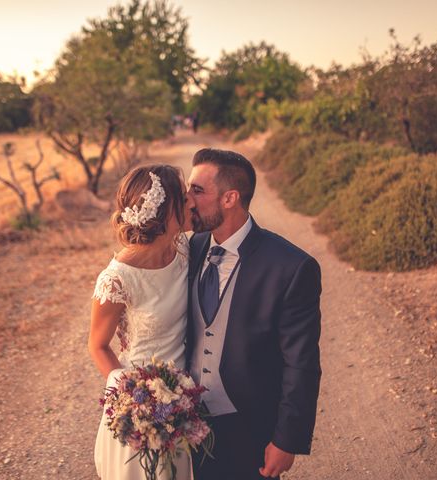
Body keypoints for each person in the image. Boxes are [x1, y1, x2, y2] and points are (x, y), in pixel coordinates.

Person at [186, 148, 322, 480]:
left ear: (230, 198)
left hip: (248, 425)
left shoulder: (291, 267)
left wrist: (286, 439)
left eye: (197, 190)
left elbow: (301, 362)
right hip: (184, 421)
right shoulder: (190, 247)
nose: (188, 200)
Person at [89, 164, 195, 480]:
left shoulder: (185, 248)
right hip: (144, 410)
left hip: (187, 399)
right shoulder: (116, 280)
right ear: (164, 212)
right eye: (184, 196)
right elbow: (97, 346)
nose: (191, 201)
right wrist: (137, 398)